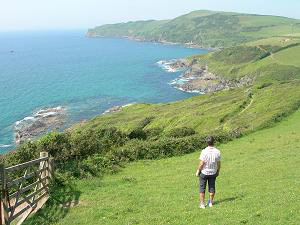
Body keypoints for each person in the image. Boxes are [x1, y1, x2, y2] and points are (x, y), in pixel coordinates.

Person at [195, 136, 221, 209]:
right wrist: (218, 171)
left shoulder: (204, 151)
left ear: (207, 143)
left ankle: (202, 204)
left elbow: (201, 163)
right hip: (213, 172)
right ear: (214, 142)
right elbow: (218, 163)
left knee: (202, 188)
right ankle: (210, 202)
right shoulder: (217, 151)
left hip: (204, 172)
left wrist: (198, 171)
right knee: (212, 187)